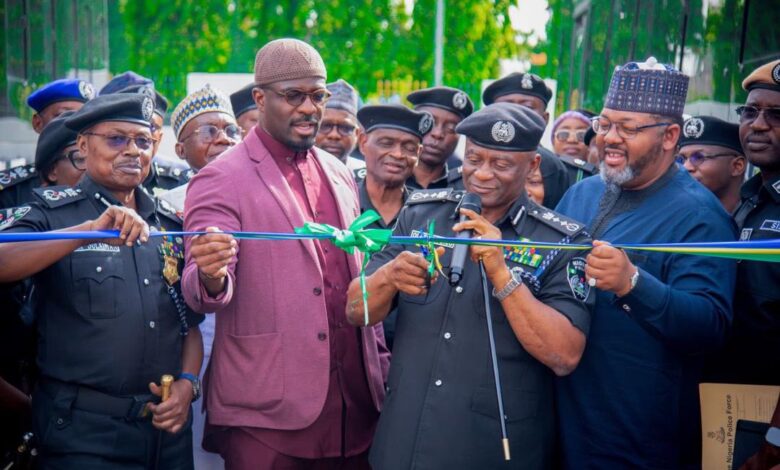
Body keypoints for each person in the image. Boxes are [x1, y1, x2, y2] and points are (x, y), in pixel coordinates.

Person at [347, 102, 594, 469]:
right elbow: (356, 310)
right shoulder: (420, 214)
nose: (482, 174)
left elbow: (565, 355)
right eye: (474, 159)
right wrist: (388, 277)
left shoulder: (560, 241)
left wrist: (502, 274)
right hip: (404, 440)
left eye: (501, 165)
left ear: (533, 165)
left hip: (489, 448)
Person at [181, 38, 389, 469]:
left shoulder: (339, 173)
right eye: (294, 96)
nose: (310, 108)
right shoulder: (221, 177)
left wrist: (379, 364)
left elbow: (357, 276)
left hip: (354, 406)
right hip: (267, 412)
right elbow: (200, 290)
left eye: (318, 96)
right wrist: (211, 273)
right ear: (260, 99)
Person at [0, 92, 204, 469]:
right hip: (83, 434)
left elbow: (187, 322)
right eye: (116, 139)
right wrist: (87, 232)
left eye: (143, 140)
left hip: (167, 432)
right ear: (82, 145)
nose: (133, 150)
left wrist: (188, 382)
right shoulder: (51, 212)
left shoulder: (168, 222)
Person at [554, 57, 737, 468]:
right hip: (559, 423)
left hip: (635, 436)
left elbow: (710, 325)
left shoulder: (700, 216)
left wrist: (632, 283)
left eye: (629, 128)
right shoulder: (581, 194)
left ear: (670, 136)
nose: (610, 138)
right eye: (605, 124)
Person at [707, 60, 780, 470]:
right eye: (750, 111)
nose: (759, 125)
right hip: (733, 405)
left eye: (776, 115)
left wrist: (776, 438)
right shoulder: (750, 198)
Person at [355, 104, 432, 350]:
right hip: (347, 343)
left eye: (409, 147)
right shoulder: (339, 202)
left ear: (419, 153)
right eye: (386, 143)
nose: (398, 154)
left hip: (406, 348)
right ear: (363, 142)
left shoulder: (428, 215)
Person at [482, 72, 579, 206]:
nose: (516, 115)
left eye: (527, 108)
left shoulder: (567, 174)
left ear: (544, 119)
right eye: (506, 108)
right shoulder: (472, 171)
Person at [1, 79, 94, 209]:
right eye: (64, 115)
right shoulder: (12, 191)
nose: (77, 124)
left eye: (85, 118)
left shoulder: (106, 180)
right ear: (37, 123)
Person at [159, 84, 241, 217]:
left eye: (231, 131)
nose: (224, 139)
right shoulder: (167, 208)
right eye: (208, 131)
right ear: (181, 150)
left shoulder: (262, 192)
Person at [103, 72, 189, 195]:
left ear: (159, 137)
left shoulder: (182, 179)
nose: (144, 134)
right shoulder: (80, 176)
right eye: (117, 136)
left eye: (151, 127)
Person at [405, 86, 473, 190]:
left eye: (451, 128)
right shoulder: (387, 180)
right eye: (429, 123)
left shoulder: (465, 189)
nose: (437, 134)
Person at [677, 115, 746, 213]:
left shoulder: (756, 216)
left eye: (698, 157)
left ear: (737, 166)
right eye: (682, 159)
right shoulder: (679, 213)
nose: (685, 167)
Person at [315, 79, 366, 170]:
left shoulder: (365, 174)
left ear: (357, 134)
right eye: (325, 126)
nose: (334, 135)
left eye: (345, 128)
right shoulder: (293, 172)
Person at [550, 110, 598, 183]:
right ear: (553, 141)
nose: (571, 140)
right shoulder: (541, 171)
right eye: (563, 135)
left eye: (581, 135)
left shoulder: (601, 175)